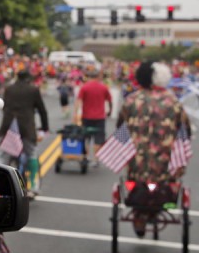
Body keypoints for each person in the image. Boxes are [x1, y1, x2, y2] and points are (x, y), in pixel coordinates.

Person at [117, 62, 189, 237]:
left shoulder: (132, 100)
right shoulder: (173, 102)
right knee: (168, 180)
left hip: (138, 164)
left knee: (134, 177)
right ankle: (161, 206)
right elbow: (185, 129)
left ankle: (139, 214)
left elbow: (120, 128)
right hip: (165, 164)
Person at [0, 69, 49, 196]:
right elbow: (42, 111)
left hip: (9, 127)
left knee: (4, 157)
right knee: (31, 153)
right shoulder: (33, 90)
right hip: (26, 127)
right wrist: (44, 128)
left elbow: (4, 107)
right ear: (28, 78)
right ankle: (34, 186)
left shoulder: (8, 89)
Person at [73, 66, 113, 166]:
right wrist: (110, 111)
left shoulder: (84, 87)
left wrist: (75, 114)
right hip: (100, 117)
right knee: (98, 139)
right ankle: (96, 159)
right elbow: (110, 100)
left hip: (86, 117)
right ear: (98, 77)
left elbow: (78, 102)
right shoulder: (103, 87)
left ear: (89, 77)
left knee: (85, 137)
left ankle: (86, 157)